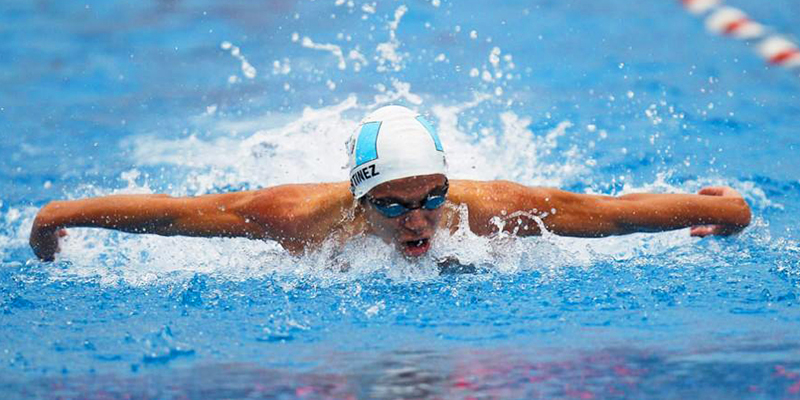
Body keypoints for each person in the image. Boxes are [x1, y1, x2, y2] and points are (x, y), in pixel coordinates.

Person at [29, 106, 752, 262]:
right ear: (359, 201)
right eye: (394, 206)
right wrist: (63, 213)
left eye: (433, 197)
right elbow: (179, 215)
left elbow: (604, 213)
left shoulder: (487, 211)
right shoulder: (297, 216)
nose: (418, 220)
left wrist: (725, 211)